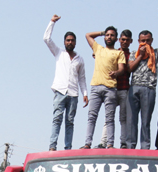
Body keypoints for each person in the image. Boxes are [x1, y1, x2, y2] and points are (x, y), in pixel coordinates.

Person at [128, 8, 158, 149]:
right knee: (132, 120)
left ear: (152, 41)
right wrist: (141, 56)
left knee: (146, 120)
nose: (145, 44)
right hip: (134, 87)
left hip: (149, 89)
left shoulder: (156, 53)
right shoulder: (133, 54)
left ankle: (145, 147)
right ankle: (131, 147)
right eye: (142, 41)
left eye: (147, 41)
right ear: (138, 41)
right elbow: (130, 68)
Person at [44, 14, 88, 151]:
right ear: (64, 42)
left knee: (70, 122)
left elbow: (82, 78)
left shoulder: (79, 59)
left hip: (73, 94)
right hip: (60, 91)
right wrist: (52, 22)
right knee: (57, 119)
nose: (70, 42)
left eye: (72, 40)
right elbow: (46, 39)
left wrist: (85, 93)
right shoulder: (59, 53)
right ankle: (52, 146)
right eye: (68, 40)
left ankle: (68, 147)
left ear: (75, 42)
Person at [81, 26, 126, 149]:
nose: (109, 37)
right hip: (95, 87)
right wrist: (102, 32)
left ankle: (110, 144)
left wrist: (116, 72)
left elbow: (122, 68)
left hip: (110, 88)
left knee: (109, 118)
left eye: (112, 35)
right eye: (107, 35)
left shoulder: (119, 52)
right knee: (91, 117)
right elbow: (88, 35)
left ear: (116, 38)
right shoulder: (98, 48)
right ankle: (87, 143)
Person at [99, 29, 133, 148]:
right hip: (112, 89)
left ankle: (123, 143)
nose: (124, 42)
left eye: (127, 40)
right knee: (108, 118)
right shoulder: (113, 52)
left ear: (131, 42)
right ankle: (104, 142)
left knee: (123, 118)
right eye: (122, 39)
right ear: (119, 40)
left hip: (124, 89)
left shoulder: (132, 55)